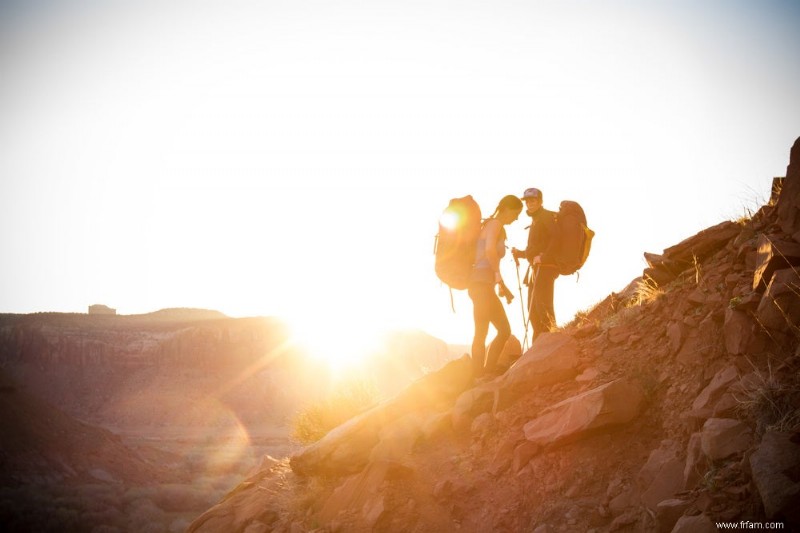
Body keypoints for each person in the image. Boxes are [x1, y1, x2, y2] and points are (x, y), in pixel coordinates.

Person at [468, 195, 523, 378]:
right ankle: (482, 374)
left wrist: (498, 282)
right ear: (507, 209)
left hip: (480, 284)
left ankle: (482, 374)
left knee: (489, 331)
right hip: (482, 284)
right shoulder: (495, 224)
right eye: (516, 214)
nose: (516, 219)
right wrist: (499, 278)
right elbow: (490, 250)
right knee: (496, 330)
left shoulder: (490, 224)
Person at [512, 187, 558, 342]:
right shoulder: (536, 219)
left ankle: (550, 343)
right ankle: (539, 345)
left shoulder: (546, 217)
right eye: (527, 201)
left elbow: (556, 239)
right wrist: (520, 253)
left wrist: (543, 257)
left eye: (533, 200)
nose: (529, 204)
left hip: (545, 268)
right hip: (536, 269)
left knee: (543, 308)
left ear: (540, 201)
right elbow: (536, 249)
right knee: (533, 311)